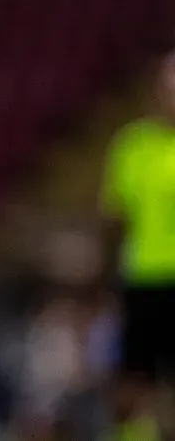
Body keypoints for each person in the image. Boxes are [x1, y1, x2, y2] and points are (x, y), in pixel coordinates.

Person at [101, 49, 175, 437]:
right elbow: (115, 220)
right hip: (143, 279)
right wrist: (106, 278)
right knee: (133, 383)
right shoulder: (132, 146)